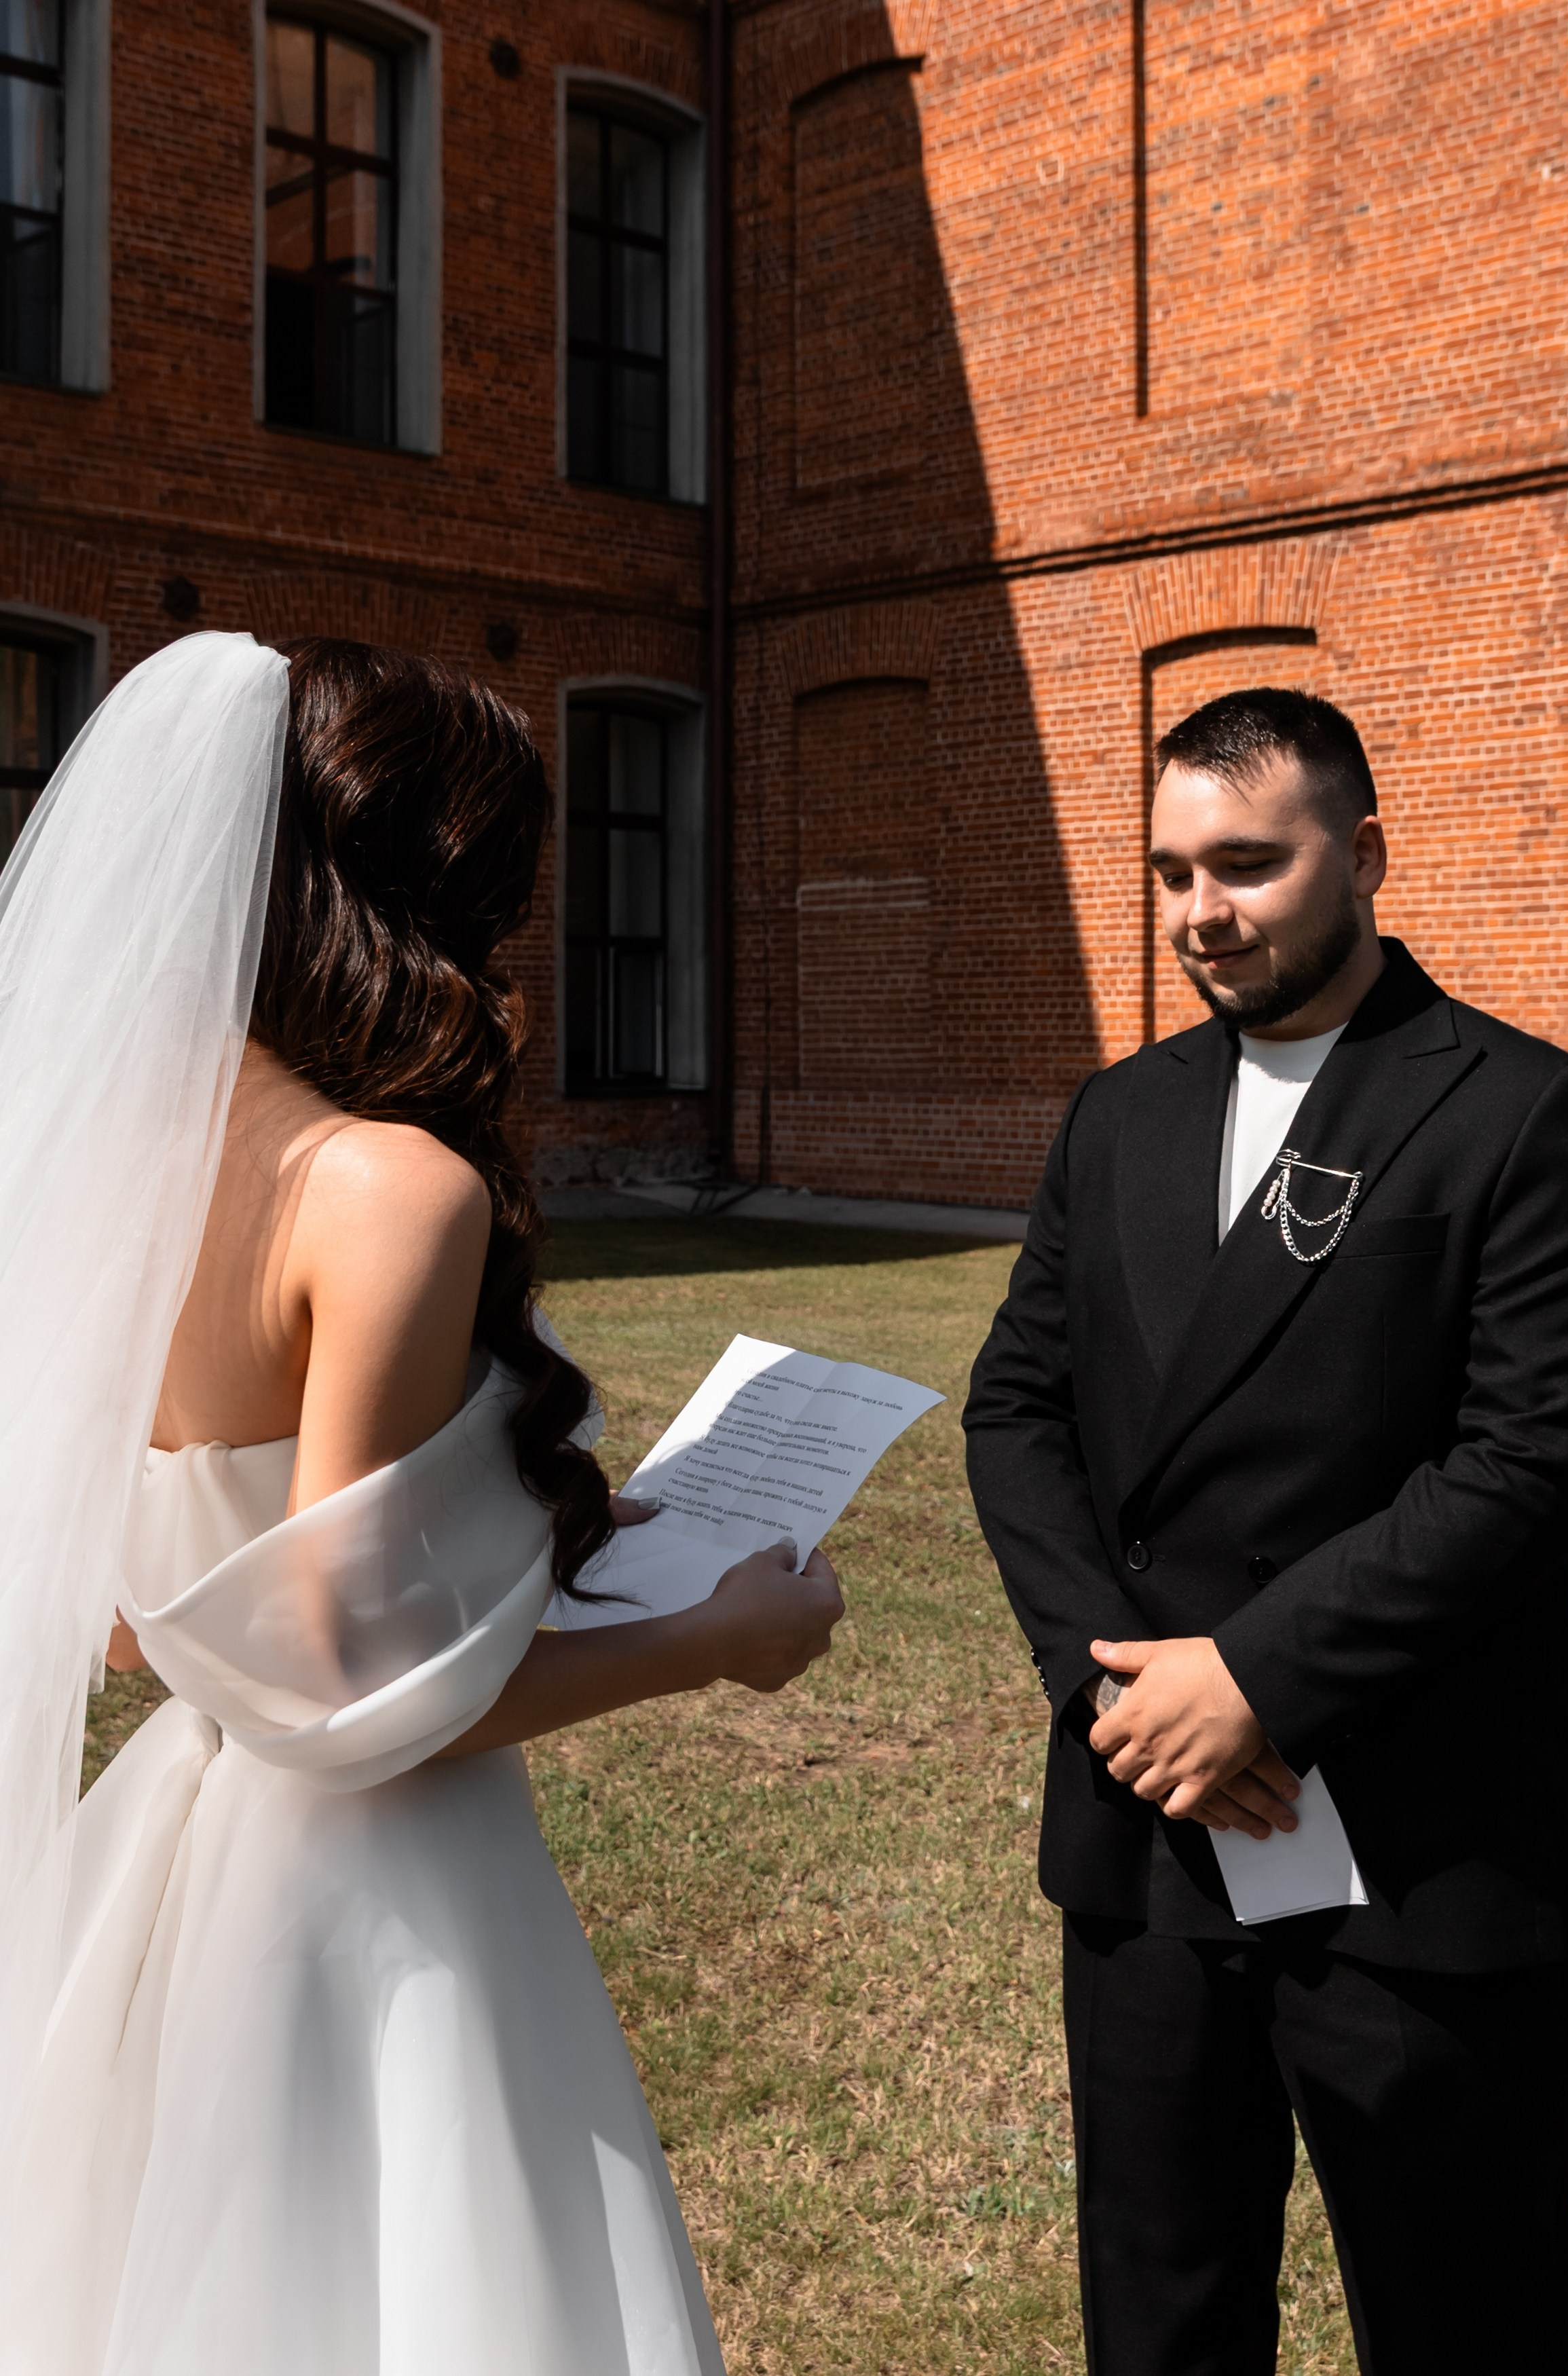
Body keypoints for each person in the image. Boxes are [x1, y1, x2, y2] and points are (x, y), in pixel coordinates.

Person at [0, 632, 843, 2376]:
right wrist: (718, 1638)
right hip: (380, 1894)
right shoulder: (386, 1187)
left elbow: (137, 1618)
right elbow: (353, 1689)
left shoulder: (111, 1167)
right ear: (427, 892)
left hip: (181, 1857)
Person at [963, 686, 1568, 2376]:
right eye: (1172, 872)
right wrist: (1120, 1692)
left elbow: (1532, 1460)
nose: (1201, 912)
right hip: (1153, 1838)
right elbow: (1015, 1412)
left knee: (1474, 2328)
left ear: (1364, 854)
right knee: (1162, 2326)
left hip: (1415, 1846)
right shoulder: (1117, 1116)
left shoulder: (1519, 1112)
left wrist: (1255, 1681)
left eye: (1246, 864)